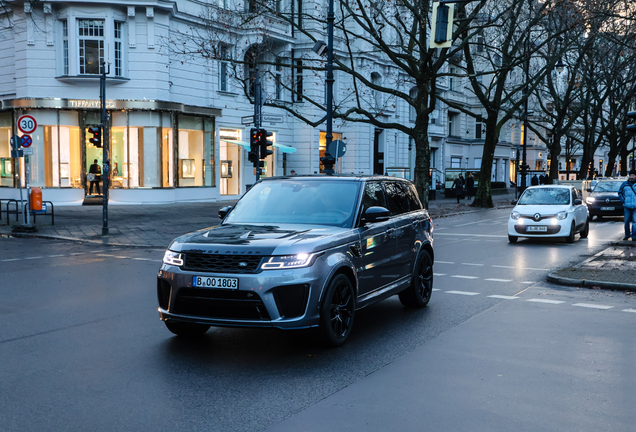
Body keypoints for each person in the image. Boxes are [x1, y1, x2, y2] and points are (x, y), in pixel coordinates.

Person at [618, 169, 636, 241]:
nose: (631, 177)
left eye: (633, 175)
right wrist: (623, 201)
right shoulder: (624, 184)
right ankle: (627, 235)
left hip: (635, 206)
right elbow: (620, 192)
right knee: (626, 221)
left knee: (635, 222)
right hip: (627, 206)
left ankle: (634, 236)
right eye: (630, 175)